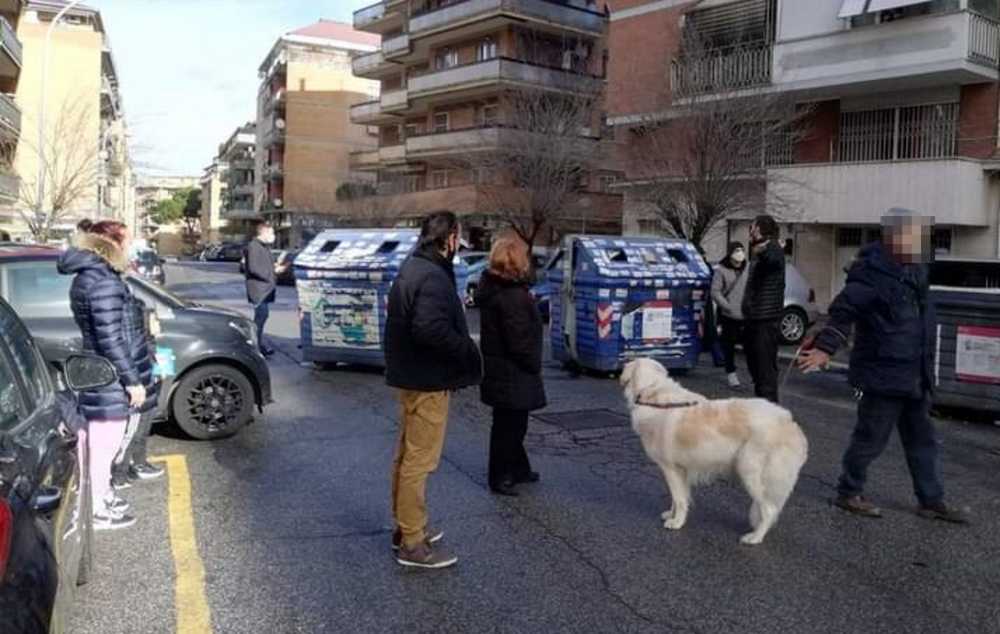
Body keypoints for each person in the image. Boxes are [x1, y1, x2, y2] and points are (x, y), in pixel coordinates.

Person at [799, 208, 968, 524]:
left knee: (923, 440)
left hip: (915, 372)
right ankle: (848, 492)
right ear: (894, 238)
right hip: (882, 372)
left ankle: (931, 500)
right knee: (870, 438)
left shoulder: (917, 271)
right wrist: (824, 348)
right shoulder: (871, 273)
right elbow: (844, 311)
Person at [384, 211, 482, 569]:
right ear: (450, 238)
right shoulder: (432, 276)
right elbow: (429, 329)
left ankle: (406, 527)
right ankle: (412, 543)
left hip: (410, 376)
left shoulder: (413, 267)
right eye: (459, 236)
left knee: (406, 457)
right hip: (426, 381)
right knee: (418, 462)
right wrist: (466, 348)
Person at [58, 220, 146, 530]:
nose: (131, 246)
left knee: (101, 443)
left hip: (99, 371)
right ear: (111, 244)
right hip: (106, 376)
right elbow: (111, 338)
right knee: (104, 445)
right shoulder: (104, 281)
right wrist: (132, 380)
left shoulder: (91, 276)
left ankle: (102, 495)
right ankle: (94, 510)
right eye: (127, 240)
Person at [476, 233, 546, 497]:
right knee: (511, 427)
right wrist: (532, 363)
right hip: (512, 372)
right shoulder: (512, 296)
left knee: (510, 423)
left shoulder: (496, 290)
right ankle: (501, 475)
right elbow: (519, 341)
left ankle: (518, 469)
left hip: (501, 370)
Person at [111, 301, 163, 489]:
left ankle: (138, 463)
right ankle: (120, 474)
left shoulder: (146, 339)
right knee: (134, 427)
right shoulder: (136, 339)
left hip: (146, 379)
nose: (159, 324)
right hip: (139, 382)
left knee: (143, 423)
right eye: (155, 320)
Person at [741, 214, 785, 403]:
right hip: (755, 318)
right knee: (756, 367)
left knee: (765, 370)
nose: (750, 231)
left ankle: (770, 412)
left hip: (765, 320)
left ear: (760, 229)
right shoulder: (761, 249)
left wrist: (762, 252)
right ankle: (763, 406)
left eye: (752, 227)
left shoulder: (772, 247)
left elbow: (772, 260)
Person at [711, 241, 748, 389]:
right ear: (730, 253)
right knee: (729, 345)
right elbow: (715, 292)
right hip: (729, 315)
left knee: (751, 345)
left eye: (742, 250)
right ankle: (731, 373)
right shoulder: (721, 270)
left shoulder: (748, 268)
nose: (740, 253)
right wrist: (727, 306)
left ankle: (755, 373)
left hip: (747, 314)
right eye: (737, 250)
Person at [244, 221, 277, 356]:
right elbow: (253, 268)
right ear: (264, 232)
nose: (273, 235)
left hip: (264, 289)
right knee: (261, 316)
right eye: (272, 232)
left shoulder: (264, 247)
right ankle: (255, 346)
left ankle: (258, 344)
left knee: (262, 316)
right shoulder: (253, 246)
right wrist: (270, 275)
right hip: (259, 290)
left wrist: (275, 269)